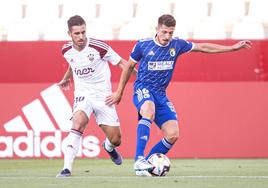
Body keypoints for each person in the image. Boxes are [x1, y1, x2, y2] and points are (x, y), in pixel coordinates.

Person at [105, 14, 252, 176]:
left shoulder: (177, 44)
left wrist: (232, 48)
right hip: (143, 88)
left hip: (160, 94)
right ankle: (139, 159)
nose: (167, 36)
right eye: (164, 32)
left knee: (173, 134)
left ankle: (145, 165)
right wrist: (119, 92)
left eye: (170, 32)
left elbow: (203, 47)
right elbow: (128, 67)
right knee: (149, 110)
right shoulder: (143, 45)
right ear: (157, 29)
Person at [56, 15, 127, 177]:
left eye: (83, 32)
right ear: (69, 34)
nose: (81, 37)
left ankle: (108, 147)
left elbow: (124, 64)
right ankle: (66, 168)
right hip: (83, 94)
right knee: (78, 121)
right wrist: (67, 77)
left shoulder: (99, 47)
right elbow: (73, 62)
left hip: (104, 97)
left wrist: (121, 91)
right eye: (76, 34)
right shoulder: (66, 50)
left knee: (116, 140)